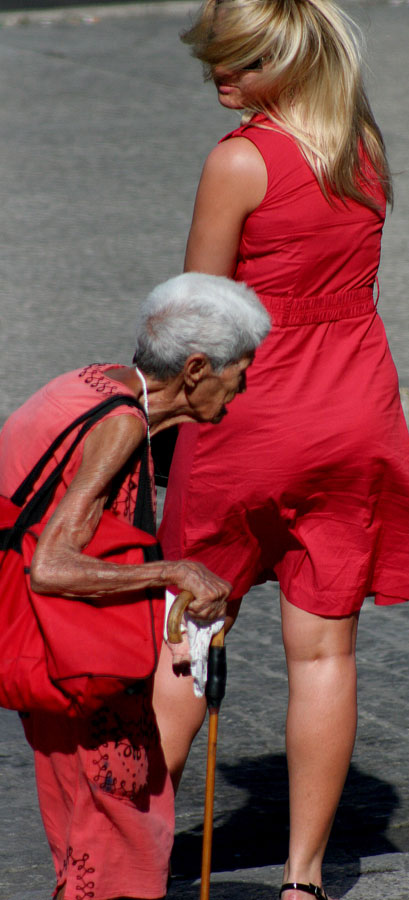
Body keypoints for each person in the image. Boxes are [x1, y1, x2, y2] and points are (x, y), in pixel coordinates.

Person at [156, 2, 409, 898]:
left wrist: (147, 424)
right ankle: (304, 881)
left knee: (189, 637)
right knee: (325, 655)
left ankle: (129, 859)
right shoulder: (364, 147)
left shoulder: (240, 160)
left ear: (288, 62)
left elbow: (198, 319)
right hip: (355, 411)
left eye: (236, 65)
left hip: (255, 415)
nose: (216, 81)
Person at [0, 272, 270, 900]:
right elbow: (54, 565)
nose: (244, 386)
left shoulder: (88, 382)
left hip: (45, 650)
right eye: (241, 370)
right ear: (198, 368)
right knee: (123, 820)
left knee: (82, 820)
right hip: (78, 661)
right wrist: (173, 571)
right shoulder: (120, 424)